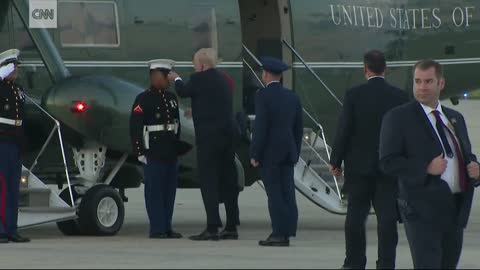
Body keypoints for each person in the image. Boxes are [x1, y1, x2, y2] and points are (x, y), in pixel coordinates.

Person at [379, 60, 480, 269]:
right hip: (421, 210)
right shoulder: (398, 118)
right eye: (417, 81)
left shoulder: (454, 118)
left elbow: (466, 154)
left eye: (428, 81)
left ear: (441, 83)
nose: (422, 87)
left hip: (455, 210)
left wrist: (475, 170)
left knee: (448, 265)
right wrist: (425, 168)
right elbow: (387, 162)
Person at [329, 50, 408, 269]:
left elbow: (344, 130)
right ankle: (386, 263)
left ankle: (354, 262)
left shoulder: (354, 95)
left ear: (365, 70)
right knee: (386, 220)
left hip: (358, 169)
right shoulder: (399, 96)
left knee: (355, 218)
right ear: (386, 69)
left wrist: (336, 160)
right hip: (388, 168)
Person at [168, 48, 240, 241]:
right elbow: (213, 102)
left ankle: (212, 227)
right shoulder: (224, 79)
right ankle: (232, 226)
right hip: (228, 136)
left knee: (208, 180)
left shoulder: (200, 79)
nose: (194, 66)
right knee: (228, 180)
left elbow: (183, 91)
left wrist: (175, 78)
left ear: (201, 64)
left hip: (210, 138)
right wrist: (198, 109)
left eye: (194, 63)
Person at [129, 59, 192, 239]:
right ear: (155, 76)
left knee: (169, 192)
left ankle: (167, 226)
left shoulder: (171, 98)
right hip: (153, 151)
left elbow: (176, 124)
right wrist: (139, 151)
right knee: (155, 192)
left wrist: (178, 147)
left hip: (170, 151)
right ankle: (157, 228)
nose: (168, 80)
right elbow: (135, 127)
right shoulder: (143, 99)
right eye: (166, 76)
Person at [250, 56, 303, 247]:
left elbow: (261, 128)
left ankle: (279, 233)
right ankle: (288, 230)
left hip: (270, 153)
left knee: (274, 194)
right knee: (288, 191)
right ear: (280, 77)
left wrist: (255, 153)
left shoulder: (263, 96)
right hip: (288, 151)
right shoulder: (292, 97)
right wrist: (295, 151)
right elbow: (298, 128)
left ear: (265, 74)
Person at [0, 49, 30, 243]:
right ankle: (1, 230)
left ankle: (12, 228)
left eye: (16, 66)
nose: (15, 69)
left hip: (15, 142)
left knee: (13, 188)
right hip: (2, 141)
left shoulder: (17, 89)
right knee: (1, 187)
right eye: (12, 66)